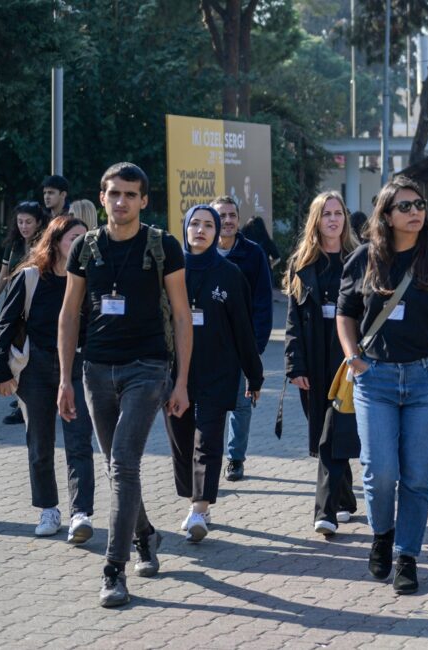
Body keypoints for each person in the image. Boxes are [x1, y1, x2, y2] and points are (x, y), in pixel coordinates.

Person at [59, 162, 193, 608]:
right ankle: (146, 534)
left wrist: (182, 382)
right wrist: (65, 379)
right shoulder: (85, 249)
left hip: (147, 367)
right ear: (102, 198)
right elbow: (69, 313)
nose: (121, 202)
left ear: (144, 200)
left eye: (130, 194)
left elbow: (180, 314)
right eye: (114, 193)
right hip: (95, 369)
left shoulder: (164, 246)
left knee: (123, 462)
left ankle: (114, 570)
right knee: (118, 467)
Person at [337, 176, 428, 594]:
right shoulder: (363, 259)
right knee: (380, 472)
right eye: (405, 206)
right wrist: (353, 359)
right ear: (386, 215)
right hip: (374, 379)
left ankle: (407, 556)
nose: (415, 212)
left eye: (419, 205)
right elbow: (345, 313)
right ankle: (381, 536)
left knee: (416, 477)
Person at [0, 216, 95, 542]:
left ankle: (81, 514)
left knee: (79, 442)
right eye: (73, 238)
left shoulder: (89, 280)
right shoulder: (30, 277)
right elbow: (5, 325)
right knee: (40, 444)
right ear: (56, 240)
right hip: (35, 370)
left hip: (76, 370)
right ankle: (49, 509)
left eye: (84, 239)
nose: (80, 244)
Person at [165, 205, 263, 543]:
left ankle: (199, 505)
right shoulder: (170, 269)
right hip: (176, 373)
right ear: (185, 228)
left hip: (218, 371)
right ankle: (195, 501)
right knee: (181, 442)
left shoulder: (230, 274)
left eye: (209, 225)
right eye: (195, 224)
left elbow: (243, 330)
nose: (201, 230)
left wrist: (254, 374)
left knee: (207, 440)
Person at [284, 191, 361, 537]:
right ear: (316, 220)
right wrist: (293, 365)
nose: (333, 219)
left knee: (332, 433)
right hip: (313, 360)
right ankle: (345, 498)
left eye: (338, 213)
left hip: (347, 360)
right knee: (325, 432)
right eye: (326, 213)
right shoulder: (302, 263)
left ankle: (325, 510)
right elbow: (292, 320)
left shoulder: (359, 260)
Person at [212, 195, 273, 482]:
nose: (227, 221)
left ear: (238, 219)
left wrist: (257, 347)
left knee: (241, 403)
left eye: (231, 215)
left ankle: (235, 459)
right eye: (221, 215)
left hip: (242, 343)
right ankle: (207, 458)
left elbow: (263, 302)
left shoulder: (253, 253)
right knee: (208, 405)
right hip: (207, 344)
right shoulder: (198, 252)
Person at [0, 201, 48, 426]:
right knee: (13, 353)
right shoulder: (14, 245)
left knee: (27, 354)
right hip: (12, 306)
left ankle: (26, 405)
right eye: (20, 221)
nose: (24, 226)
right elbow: (3, 276)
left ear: (39, 222)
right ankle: (21, 402)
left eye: (28, 222)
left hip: (34, 308)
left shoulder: (46, 245)